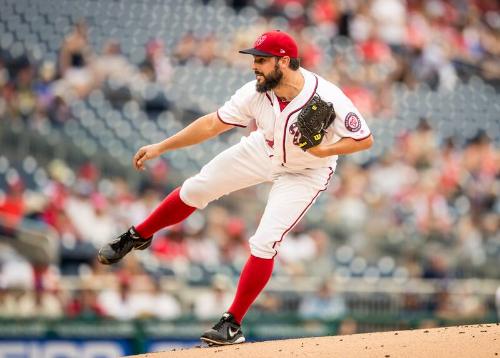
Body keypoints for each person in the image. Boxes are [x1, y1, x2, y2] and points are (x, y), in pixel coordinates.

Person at [98, 30, 373, 346]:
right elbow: (213, 124)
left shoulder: (326, 96)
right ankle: (138, 234)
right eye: (254, 60)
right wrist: (162, 146)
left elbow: (364, 139)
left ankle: (232, 324)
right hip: (264, 149)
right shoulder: (256, 92)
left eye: (261, 60)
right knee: (198, 187)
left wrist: (324, 151)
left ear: (284, 61)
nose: (254, 66)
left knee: (265, 241)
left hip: (306, 172)